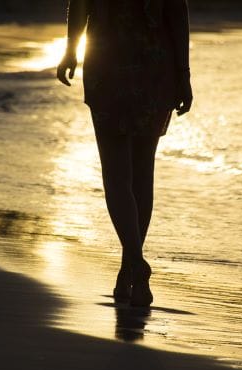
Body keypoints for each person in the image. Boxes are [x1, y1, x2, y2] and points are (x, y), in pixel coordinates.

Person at [57, 0, 193, 307]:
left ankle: (132, 264)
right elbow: (176, 12)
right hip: (156, 66)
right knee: (142, 173)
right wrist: (183, 73)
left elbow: (80, 4)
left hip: (108, 64)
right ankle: (131, 266)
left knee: (117, 177)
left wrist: (70, 50)